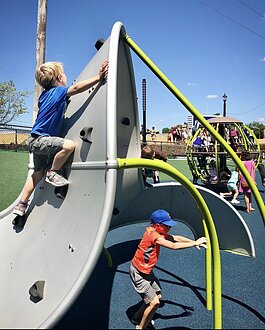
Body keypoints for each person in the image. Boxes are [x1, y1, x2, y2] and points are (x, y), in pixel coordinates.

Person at [13, 60, 109, 217]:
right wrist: (98, 77)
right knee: (69, 146)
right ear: (59, 77)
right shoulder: (58, 91)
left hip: (35, 140)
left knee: (37, 174)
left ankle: (21, 204)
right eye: (64, 74)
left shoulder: (45, 96)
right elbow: (77, 88)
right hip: (42, 140)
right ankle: (54, 172)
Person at [129, 209, 207, 329]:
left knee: (157, 297)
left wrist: (194, 242)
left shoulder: (158, 231)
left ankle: (137, 317)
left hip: (147, 271)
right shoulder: (153, 235)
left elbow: (175, 238)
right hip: (139, 272)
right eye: (167, 225)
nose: (169, 228)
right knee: (154, 302)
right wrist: (193, 244)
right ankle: (140, 327)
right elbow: (173, 246)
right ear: (158, 225)